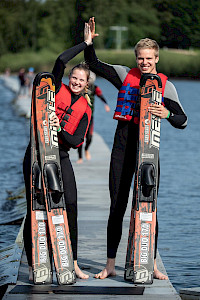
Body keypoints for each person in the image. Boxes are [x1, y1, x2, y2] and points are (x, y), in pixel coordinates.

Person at [84, 17, 187, 280]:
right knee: (116, 206)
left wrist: (165, 113)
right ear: (136, 59)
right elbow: (94, 64)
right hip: (121, 148)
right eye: (141, 58)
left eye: (149, 58)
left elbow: (183, 120)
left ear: (157, 59)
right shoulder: (123, 74)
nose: (145, 63)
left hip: (148, 153)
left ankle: (151, 263)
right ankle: (109, 264)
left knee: (149, 207)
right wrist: (88, 42)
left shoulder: (166, 86)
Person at [23, 23, 93, 280]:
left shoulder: (86, 109)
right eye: (74, 77)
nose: (75, 81)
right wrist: (85, 45)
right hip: (37, 152)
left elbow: (75, 141)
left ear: (87, 85)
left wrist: (58, 128)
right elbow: (61, 60)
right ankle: (35, 266)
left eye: (81, 80)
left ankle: (71, 262)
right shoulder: (55, 88)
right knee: (35, 206)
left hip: (60, 154)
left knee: (71, 203)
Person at [77, 71, 110, 164]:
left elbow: (101, 96)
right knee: (80, 137)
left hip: (90, 116)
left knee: (89, 137)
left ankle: (86, 149)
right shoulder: (80, 87)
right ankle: (80, 157)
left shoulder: (95, 88)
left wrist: (106, 105)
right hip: (79, 117)